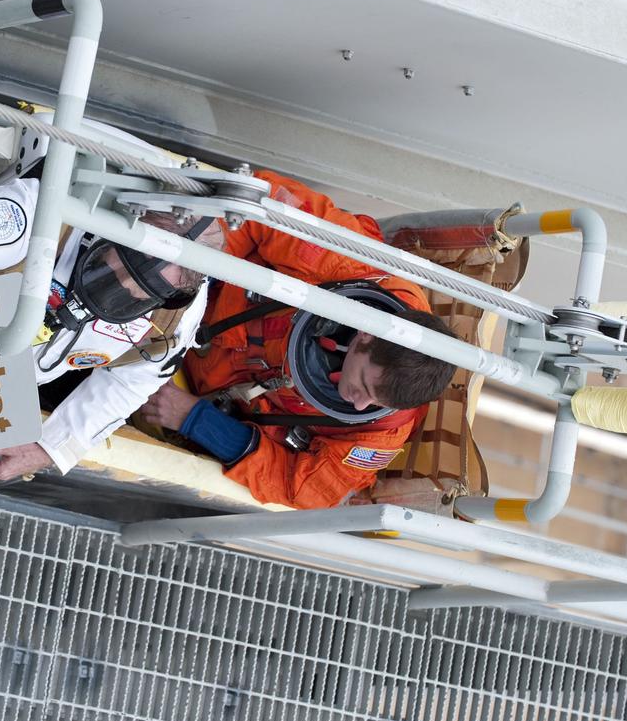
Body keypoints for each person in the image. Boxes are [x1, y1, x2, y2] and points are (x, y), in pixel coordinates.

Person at [0, 128, 224, 482]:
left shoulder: (178, 313)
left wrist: (53, 447)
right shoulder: (38, 214)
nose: (123, 285)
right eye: (126, 262)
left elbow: (132, 383)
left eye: (146, 287)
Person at [139, 170, 457, 509]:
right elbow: (260, 205)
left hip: (180, 389)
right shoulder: (353, 265)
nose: (359, 404)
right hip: (188, 289)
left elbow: (306, 490)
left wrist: (197, 420)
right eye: (364, 385)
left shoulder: (382, 430)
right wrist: (187, 273)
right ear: (366, 334)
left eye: (376, 402)